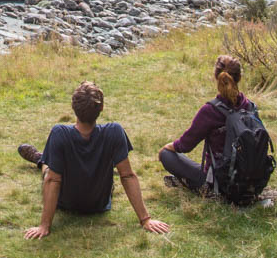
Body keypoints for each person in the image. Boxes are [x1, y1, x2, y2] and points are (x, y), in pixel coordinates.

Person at [16, 81, 170, 239]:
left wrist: (44, 225)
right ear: (101, 108)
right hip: (100, 204)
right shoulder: (114, 131)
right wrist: (146, 220)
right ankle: (41, 158)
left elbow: (52, 181)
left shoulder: (59, 133)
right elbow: (127, 175)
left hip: (65, 203)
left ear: (73, 108)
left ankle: (40, 159)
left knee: (49, 171)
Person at [159, 54, 251, 196]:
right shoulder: (249, 106)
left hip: (220, 182)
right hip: (249, 178)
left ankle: (199, 186)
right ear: (240, 77)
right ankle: (187, 182)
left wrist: (168, 147)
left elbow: (185, 145)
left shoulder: (210, 111)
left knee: (166, 155)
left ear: (216, 77)